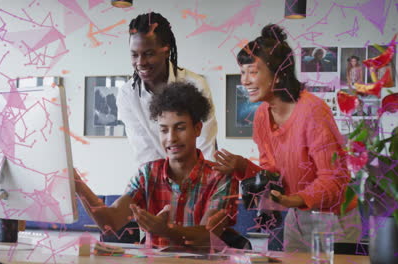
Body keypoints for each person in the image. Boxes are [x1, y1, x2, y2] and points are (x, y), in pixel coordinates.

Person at [212, 24, 361, 252]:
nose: (244, 80)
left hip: (334, 218)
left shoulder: (312, 111)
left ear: (279, 75)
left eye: (253, 72)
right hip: (297, 215)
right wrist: (242, 166)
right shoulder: (263, 114)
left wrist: (294, 199)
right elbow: (273, 175)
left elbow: (334, 178)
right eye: (243, 72)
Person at [75, 82, 238, 248]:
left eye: (180, 128)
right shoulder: (147, 174)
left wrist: (166, 230)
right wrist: (77, 184)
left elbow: (206, 236)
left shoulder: (221, 177)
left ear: (197, 129)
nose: (171, 138)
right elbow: (110, 223)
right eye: (164, 130)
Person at [117, 12, 217, 166]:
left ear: (166, 50)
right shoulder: (127, 94)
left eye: (149, 54)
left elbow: (205, 144)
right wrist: (162, 183)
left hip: (200, 178)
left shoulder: (196, 84)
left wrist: (200, 184)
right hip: (157, 179)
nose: (140, 62)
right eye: (134, 55)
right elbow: (144, 151)